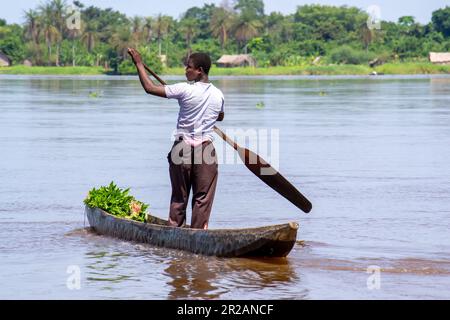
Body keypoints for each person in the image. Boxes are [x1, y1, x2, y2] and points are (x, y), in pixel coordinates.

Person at [128, 48, 224, 230]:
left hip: (183, 148)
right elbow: (220, 117)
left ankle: (176, 232)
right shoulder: (219, 95)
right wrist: (205, 116)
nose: (185, 70)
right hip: (206, 150)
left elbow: (149, 88)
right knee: (202, 198)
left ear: (199, 71)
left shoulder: (183, 89)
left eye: (189, 67)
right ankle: (198, 234)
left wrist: (139, 64)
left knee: (180, 197)